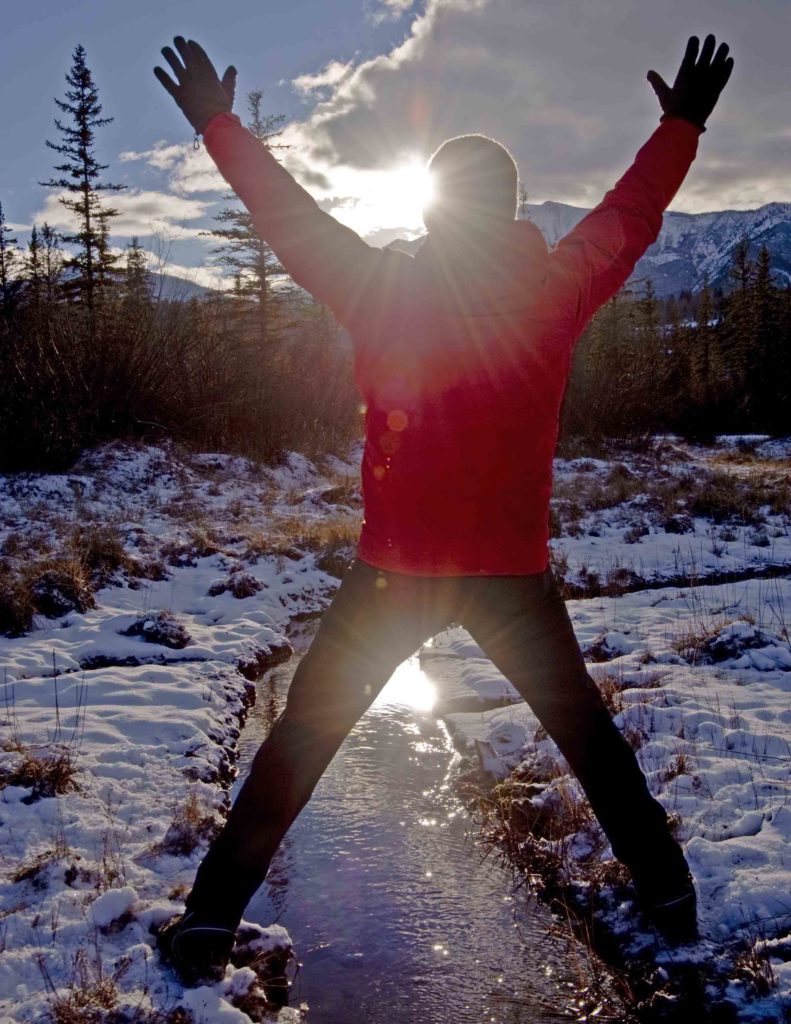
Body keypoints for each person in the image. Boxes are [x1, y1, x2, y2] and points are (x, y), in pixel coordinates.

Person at [153, 33, 733, 985]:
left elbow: (287, 218)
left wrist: (220, 125)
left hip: (393, 574)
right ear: (505, 210)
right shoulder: (554, 288)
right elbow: (628, 216)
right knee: (584, 735)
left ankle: (210, 923)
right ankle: (670, 902)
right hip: (510, 573)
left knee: (301, 741)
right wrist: (680, 126)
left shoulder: (381, 286)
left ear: (433, 208)